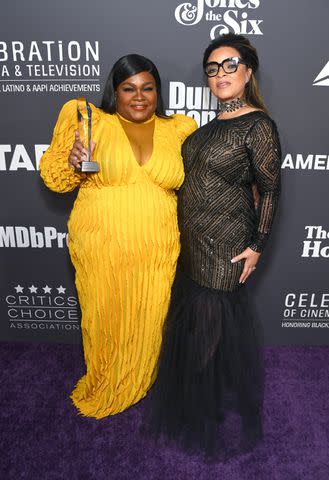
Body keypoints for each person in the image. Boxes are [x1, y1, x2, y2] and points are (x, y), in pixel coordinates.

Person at [40, 54, 197, 419]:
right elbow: (54, 179)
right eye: (128, 88)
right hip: (101, 245)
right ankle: (105, 380)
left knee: (148, 316)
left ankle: (138, 380)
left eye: (147, 88)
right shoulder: (89, 120)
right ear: (115, 90)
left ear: (158, 91)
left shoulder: (179, 129)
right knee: (105, 313)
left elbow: (202, 182)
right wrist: (71, 163)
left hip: (156, 248)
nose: (138, 96)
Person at [149, 34, 281, 456]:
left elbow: (271, 189)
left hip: (226, 242)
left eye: (230, 65)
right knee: (194, 328)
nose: (220, 74)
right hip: (192, 242)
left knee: (208, 327)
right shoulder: (206, 129)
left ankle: (201, 416)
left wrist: (258, 244)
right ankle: (195, 402)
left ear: (248, 71)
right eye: (212, 68)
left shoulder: (259, 125)